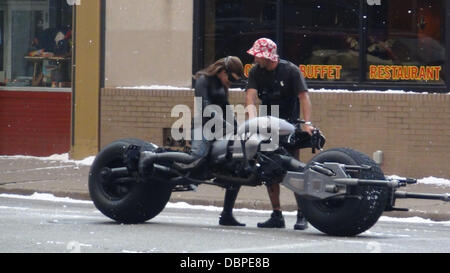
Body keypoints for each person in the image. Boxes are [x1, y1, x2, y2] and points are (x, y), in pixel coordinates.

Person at [245, 38, 314, 230]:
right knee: (269, 170)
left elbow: (304, 97)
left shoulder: (290, 71)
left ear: (268, 56)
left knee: (294, 170)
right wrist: (252, 120)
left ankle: (302, 214)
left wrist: (307, 124)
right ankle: (277, 215)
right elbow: (250, 96)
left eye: (258, 55)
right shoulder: (255, 71)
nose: (255, 59)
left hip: (288, 125)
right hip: (267, 125)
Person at [192, 56, 246, 226]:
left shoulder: (222, 86)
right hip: (204, 127)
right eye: (230, 78)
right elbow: (205, 107)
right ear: (223, 71)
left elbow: (227, 108)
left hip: (220, 129)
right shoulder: (203, 80)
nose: (230, 82)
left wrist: (238, 129)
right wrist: (222, 123)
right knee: (196, 160)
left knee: (236, 166)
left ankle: (227, 214)